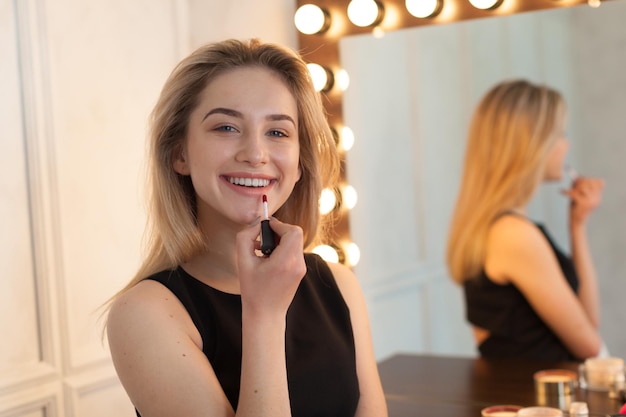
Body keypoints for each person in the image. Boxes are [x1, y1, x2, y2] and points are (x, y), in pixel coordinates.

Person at [105, 38, 388, 417]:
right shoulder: (143, 314)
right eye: (226, 127)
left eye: (277, 132)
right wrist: (264, 315)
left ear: (300, 161)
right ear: (180, 154)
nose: (255, 154)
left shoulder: (339, 285)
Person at [446, 79, 605, 361]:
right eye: (560, 134)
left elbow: (589, 323)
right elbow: (589, 347)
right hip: (538, 400)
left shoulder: (502, 228)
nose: (566, 145)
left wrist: (578, 226)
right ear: (532, 143)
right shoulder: (514, 235)